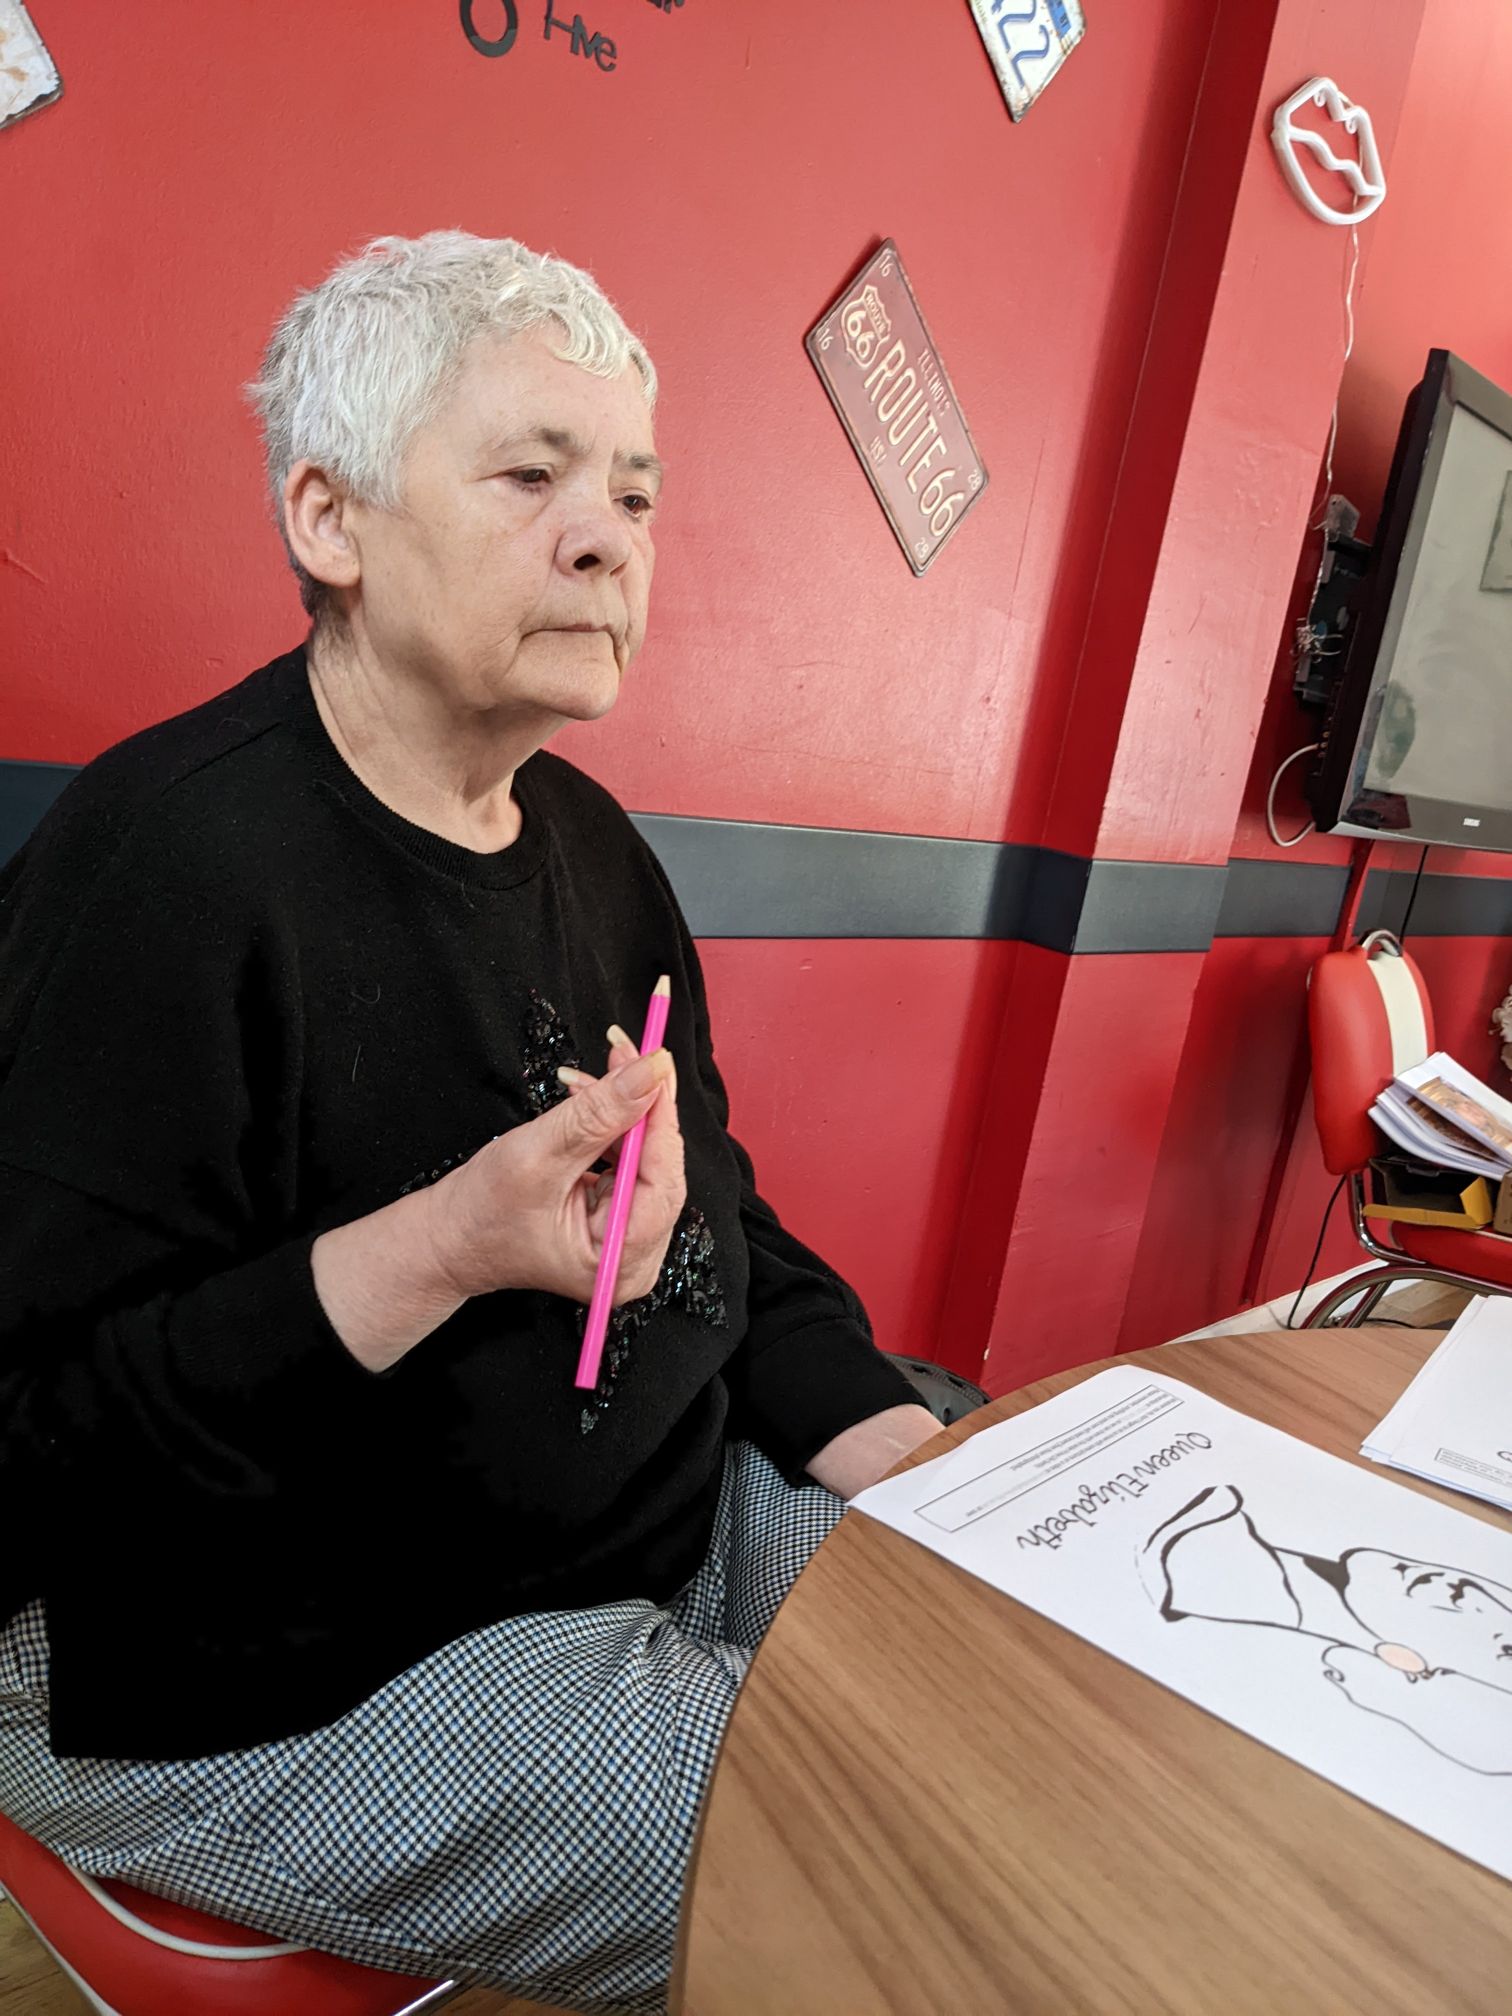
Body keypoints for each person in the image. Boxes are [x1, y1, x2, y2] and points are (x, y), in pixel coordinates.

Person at [0, 231, 943, 2013]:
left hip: (641, 1512)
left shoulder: (599, 849)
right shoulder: (165, 875)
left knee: (1006, 1660)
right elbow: (38, 1444)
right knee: (882, 1857)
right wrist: (440, 1249)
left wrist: (883, 1433)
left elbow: (721, 1210)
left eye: (636, 494)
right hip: (263, 1652)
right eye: (531, 477)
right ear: (331, 521)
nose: (609, 538)